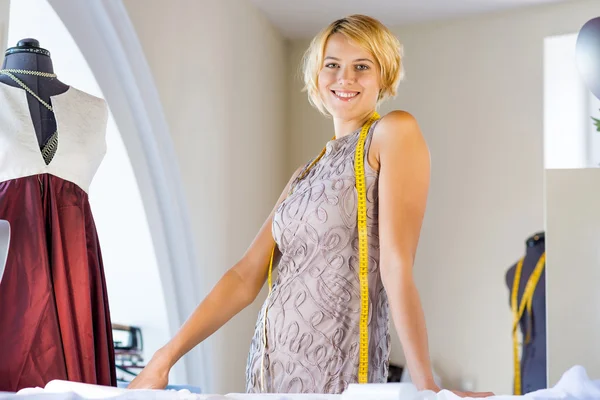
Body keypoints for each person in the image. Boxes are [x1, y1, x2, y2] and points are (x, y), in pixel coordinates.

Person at [128, 15, 493, 397]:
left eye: (362, 66)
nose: (344, 78)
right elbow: (243, 278)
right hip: (268, 372)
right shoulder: (305, 176)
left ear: (384, 76)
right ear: (317, 76)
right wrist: (164, 358)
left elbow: (396, 264)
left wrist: (428, 389)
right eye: (332, 65)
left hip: (336, 371)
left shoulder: (392, 133)